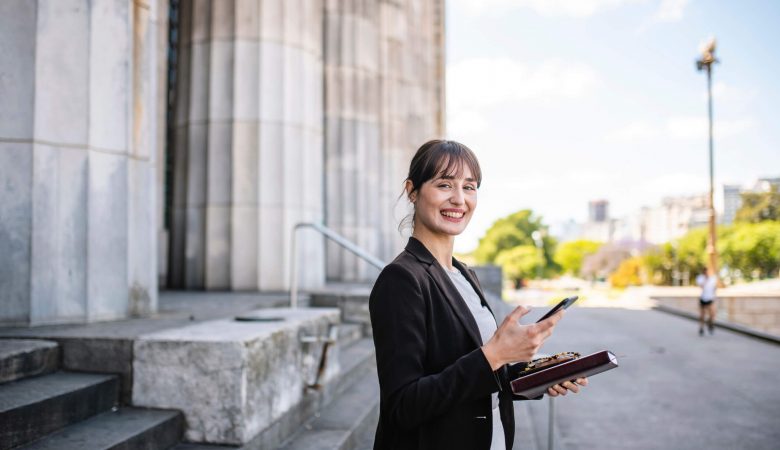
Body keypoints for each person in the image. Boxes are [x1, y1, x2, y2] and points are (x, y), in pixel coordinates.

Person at [369, 140, 587, 450]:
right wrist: (495, 354)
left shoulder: (464, 274)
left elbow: (480, 377)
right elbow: (403, 406)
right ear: (412, 191)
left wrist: (541, 374)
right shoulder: (402, 280)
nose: (459, 199)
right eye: (444, 184)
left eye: (469, 187)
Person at [695, 268, 717, 336]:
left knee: (712, 313)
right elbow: (701, 286)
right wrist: (705, 279)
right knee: (702, 315)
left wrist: (715, 294)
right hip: (703, 298)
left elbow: (715, 287)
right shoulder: (700, 278)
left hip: (710, 298)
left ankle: (710, 323)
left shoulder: (713, 278)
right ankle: (701, 328)